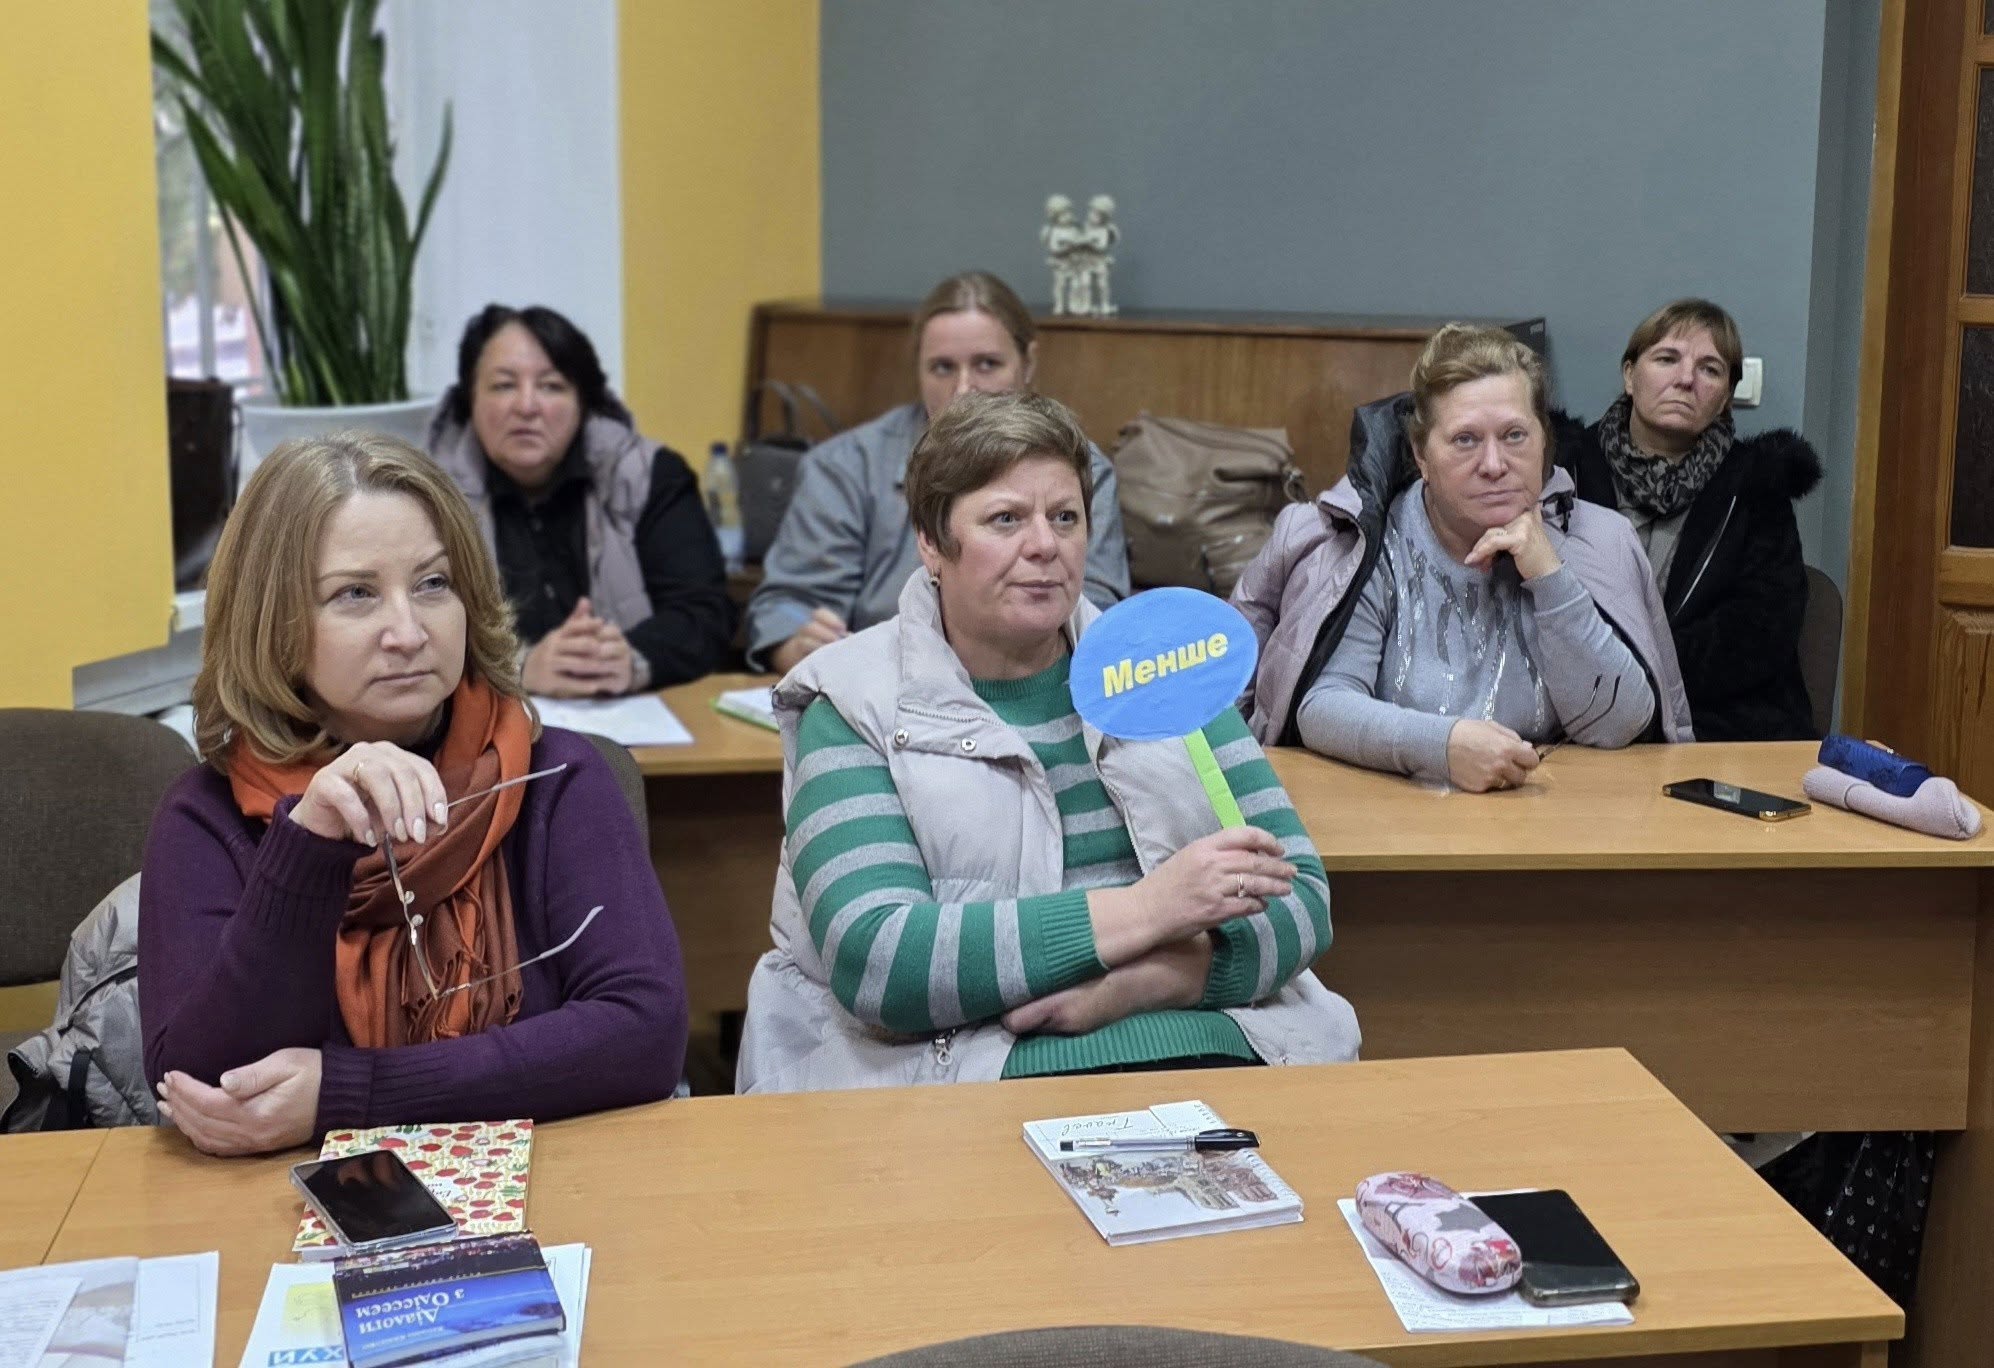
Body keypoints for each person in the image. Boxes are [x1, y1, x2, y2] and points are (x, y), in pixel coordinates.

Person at [736, 391, 1358, 1094]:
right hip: (972, 1086)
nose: (1044, 545)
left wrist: (1151, 983)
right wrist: (1147, 911)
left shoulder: (1159, 667)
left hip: (1225, 1055)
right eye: (1005, 519)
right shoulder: (852, 698)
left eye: (1065, 517)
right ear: (932, 542)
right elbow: (878, 961)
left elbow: (1303, 897)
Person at [141, 432, 688, 1157]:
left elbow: (645, 1034)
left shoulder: (557, 777)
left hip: (557, 1181)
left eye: (433, 584)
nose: (408, 632)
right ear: (273, 621)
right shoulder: (207, 816)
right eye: (355, 594)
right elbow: (208, 1089)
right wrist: (308, 845)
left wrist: (353, 1094)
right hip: (280, 1207)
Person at [1232, 325, 1692, 791]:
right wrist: (1442, 746)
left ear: (1543, 442)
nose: (1494, 465)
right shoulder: (1372, 540)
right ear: (1422, 455)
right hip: (1393, 810)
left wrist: (1549, 576)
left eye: (1514, 435)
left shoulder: (1604, 539)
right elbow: (1324, 705)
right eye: (1465, 440)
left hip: (1551, 811)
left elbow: (1620, 725)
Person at [744, 271, 1130, 675]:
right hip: (874, 686)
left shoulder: (1078, 467)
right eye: (943, 368)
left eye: (986, 364)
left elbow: (1098, 614)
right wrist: (798, 644)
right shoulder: (845, 466)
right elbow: (784, 606)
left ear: (1028, 363)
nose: (964, 389)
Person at [427, 304, 733, 697]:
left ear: (583, 402)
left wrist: (628, 658)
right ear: (469, 399)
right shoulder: (428, 496)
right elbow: (414, 635)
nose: (527, 406)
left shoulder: (647, 475)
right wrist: (520, 667)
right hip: (492, 720)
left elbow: (706, 614)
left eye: (551, 386)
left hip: (633, 714)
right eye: (504, 386)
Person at [1557, 300, 1822, 740]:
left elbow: (1759, 632)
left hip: (1720, 727)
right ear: (1630, 375)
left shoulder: (1758, 486)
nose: (1685, 379)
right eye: (1667, 359)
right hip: (1580, 718)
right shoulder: (1562, 470)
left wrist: (1637, 674)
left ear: (1725, 397)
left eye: (1709, 369)